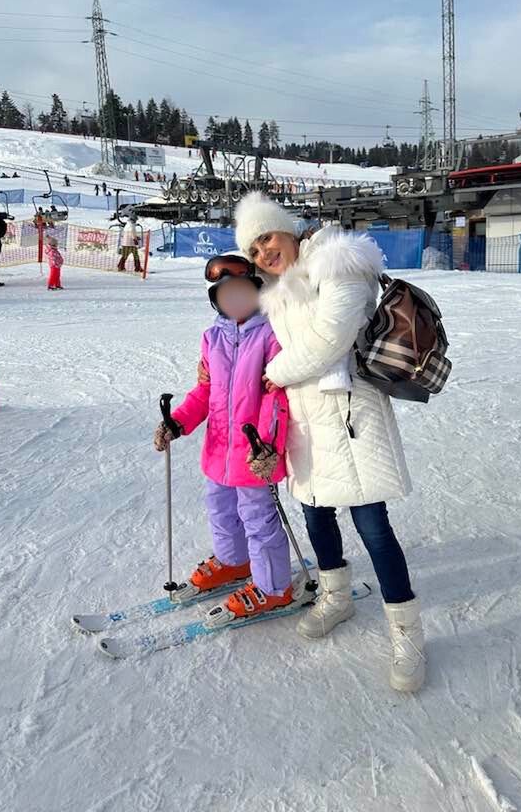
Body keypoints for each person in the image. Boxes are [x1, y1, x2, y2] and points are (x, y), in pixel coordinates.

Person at [232, 191, 424, 692]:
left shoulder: (336, 262)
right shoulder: (278, 291)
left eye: (267, 237)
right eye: (253, 250)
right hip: (305, 421)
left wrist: (273, 373)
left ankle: (407, 634)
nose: (264, 253)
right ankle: (336, 596)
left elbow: (328, 340)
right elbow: (267, 341)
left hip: (349, 416)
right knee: (315, 511)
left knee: (372, 524)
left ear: (286, 228)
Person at [153, 254, 295, 619]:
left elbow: (275, 399)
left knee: (258, 517)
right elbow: (205, 391)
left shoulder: (271, 335)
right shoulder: (211, 338)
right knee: (219, 508)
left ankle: (273, 587)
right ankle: (234, 561)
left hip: (253, 451)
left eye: (242, 291)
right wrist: (179, 423)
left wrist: (266, 446)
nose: (234, 301)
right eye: (225, 294)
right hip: (218, 449)